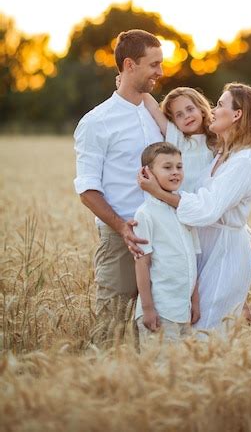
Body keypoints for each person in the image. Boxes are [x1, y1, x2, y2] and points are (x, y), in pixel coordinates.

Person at [138, 82, 251, 332]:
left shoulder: (244, 160)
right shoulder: (224, 154)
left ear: (237, 114)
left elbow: (207, 209)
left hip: (223, 252)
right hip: (203, 246)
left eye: (220, 104)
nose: (213, 109)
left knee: (206, 333)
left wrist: (158, 193)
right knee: (194, 328)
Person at [73, 29, 164, 343]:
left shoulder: (156, 115)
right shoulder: (97, 122)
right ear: (130, 65)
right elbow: (87, 188)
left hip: (164, 234)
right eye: (153, 64)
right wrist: (121, 226)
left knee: (156, 332)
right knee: (111, 330)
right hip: (122, 238)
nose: (160, 72)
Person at [133, 142, 200, 345]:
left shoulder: (185, 210)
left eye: (179, 167)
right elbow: (142, 263)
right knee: (160, 371)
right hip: (160, 310)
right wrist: (147, 308)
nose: (175, 172)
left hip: (183, 310)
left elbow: (192, 259)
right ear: (147, 172)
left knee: (182, 370)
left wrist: (194, 301)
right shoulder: (145, 214)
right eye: (167, 167)